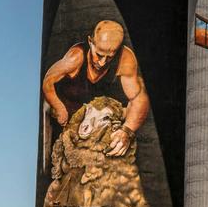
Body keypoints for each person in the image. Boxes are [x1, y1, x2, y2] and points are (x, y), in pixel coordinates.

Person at [41, 20, 150, 156]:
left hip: (97, 121)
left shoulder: (125, 59)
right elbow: (47, 81)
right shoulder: (75, 57)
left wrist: (127, 130)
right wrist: (58, 107)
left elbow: (139, 99)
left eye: (109, 57)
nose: (102, 62)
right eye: (99, 55)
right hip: (65, 118)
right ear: (90, 42)